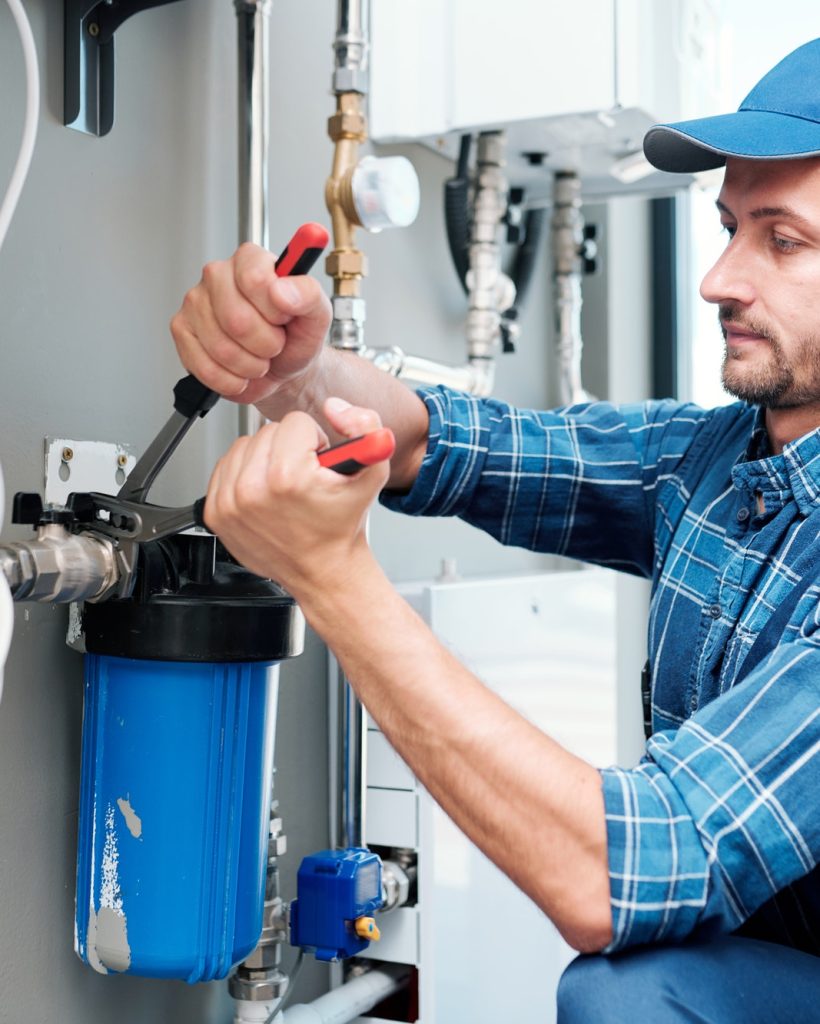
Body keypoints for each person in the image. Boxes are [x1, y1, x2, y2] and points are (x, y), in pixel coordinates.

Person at [171, 39, 820, 1024]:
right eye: (728, 228)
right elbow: (458, 442)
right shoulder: (723, 459)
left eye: (781, 240)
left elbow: (621, 876)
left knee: (632, 994)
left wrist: (335, 582)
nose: (718, 278)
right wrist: (292, 375)